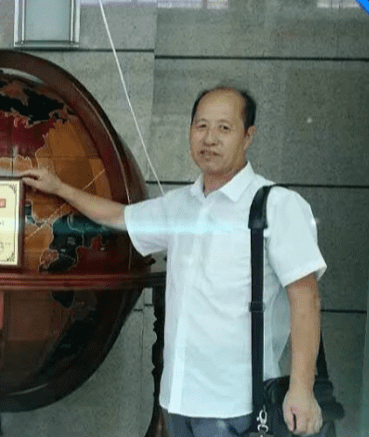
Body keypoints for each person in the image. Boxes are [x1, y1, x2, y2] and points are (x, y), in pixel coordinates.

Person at [20, 86, 325, 437]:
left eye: (224, 128)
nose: (209, 138)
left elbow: (306, 299)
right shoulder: (181, 205)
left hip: (239, 405)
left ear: (248, 136)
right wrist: (60, 188)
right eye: (201, 126)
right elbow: (120, 216)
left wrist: (302, 389)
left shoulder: (278, 206)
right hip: (178, 400)